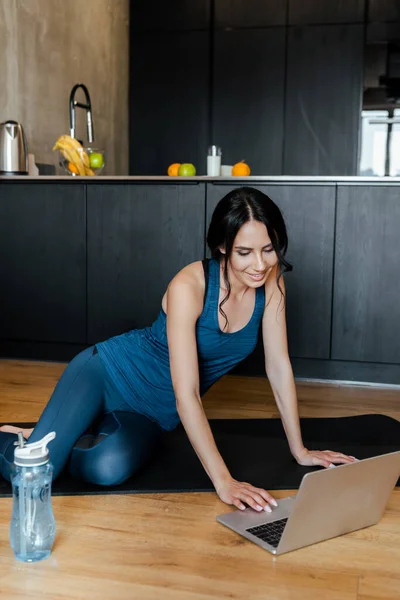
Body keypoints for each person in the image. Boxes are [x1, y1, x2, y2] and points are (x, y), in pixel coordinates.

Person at [0, 186, 356, 513]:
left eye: (268, 249)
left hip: (155, 414)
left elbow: (278, 366)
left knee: (105, 468)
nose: (260, 264)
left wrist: (300, 450)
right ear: (222, 247)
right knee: (35, 469)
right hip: (105, 373)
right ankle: (40, 437)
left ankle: (63, 431)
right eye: (245, 252)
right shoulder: (190, 284)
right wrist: (224, 481)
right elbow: (187, 394)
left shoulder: (272, 281)